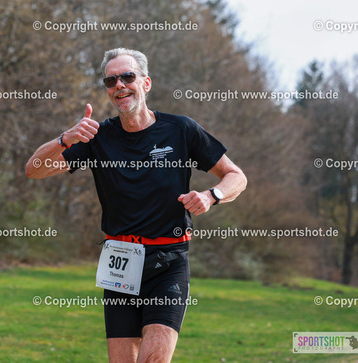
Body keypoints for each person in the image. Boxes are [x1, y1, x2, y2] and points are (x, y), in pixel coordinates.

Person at [25, 48, 247, 362]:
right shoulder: (97, 138)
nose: (119, 85)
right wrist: (65, 138)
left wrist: (212, 196)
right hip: (120, 262)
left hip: (167, 262)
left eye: (127, 77)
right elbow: (34, 170)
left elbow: (236, 176)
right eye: (111, 80)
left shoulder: (180, 130)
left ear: (146, 83)